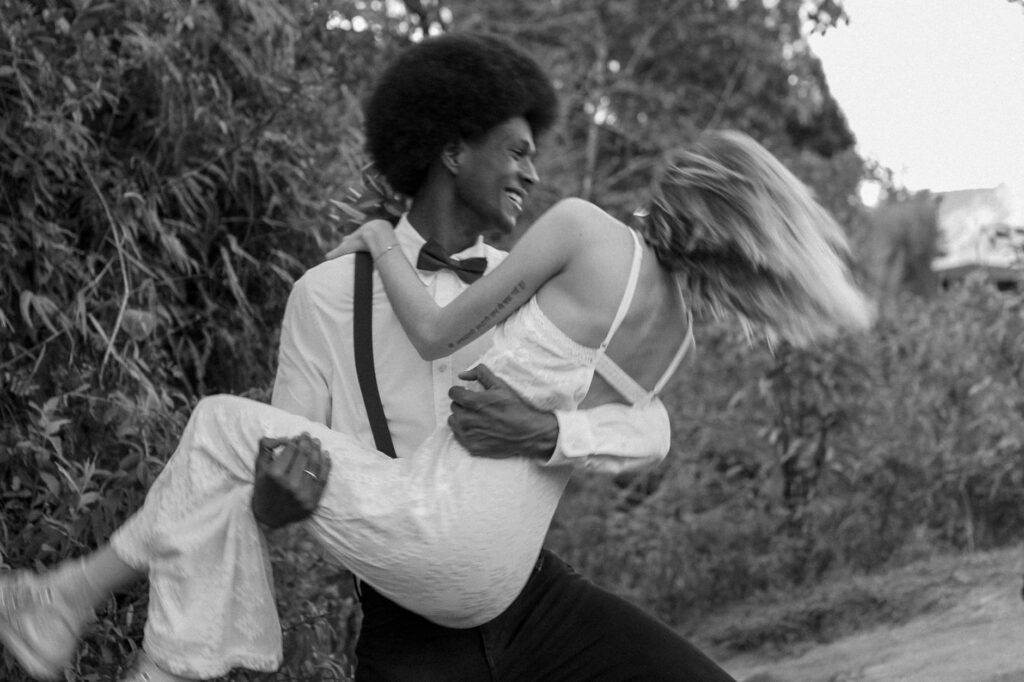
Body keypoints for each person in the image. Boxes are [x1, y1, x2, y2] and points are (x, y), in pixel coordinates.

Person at [0, 38, 873, 682]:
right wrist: (276, 498)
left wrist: (550, 431)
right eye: (518, 148)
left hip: (527, 589)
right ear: (453, 150)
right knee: (228, 435)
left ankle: (83, 609)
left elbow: (650, 430)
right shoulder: (322, 298)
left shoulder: (546, 268)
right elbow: (264, 488)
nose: (534, 173)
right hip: (411, 616)